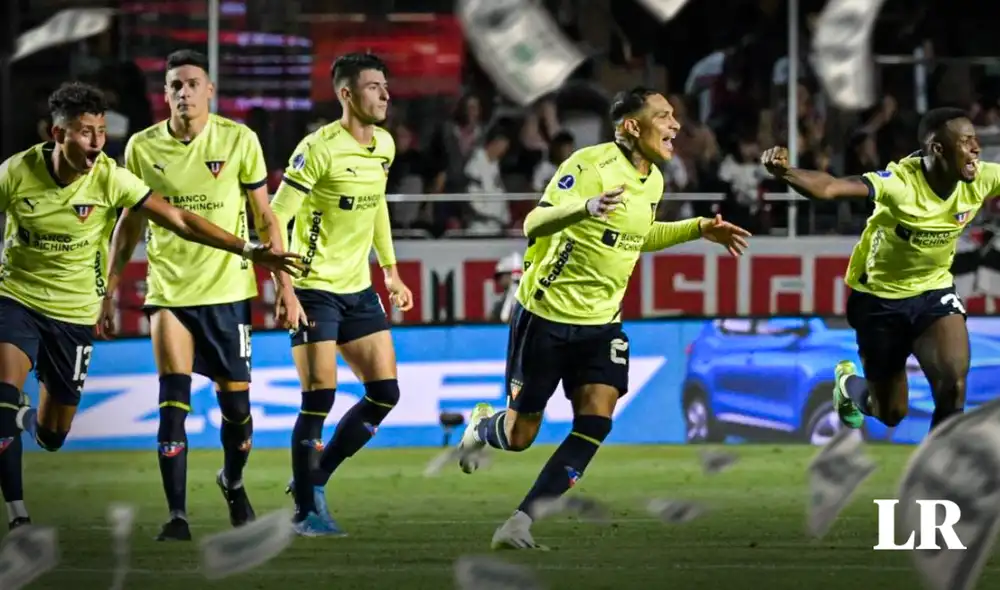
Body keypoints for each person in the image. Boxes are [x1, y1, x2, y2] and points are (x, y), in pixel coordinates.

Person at [454, 87, 751, 550]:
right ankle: (480, 427)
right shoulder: (589, 166)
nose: (675, 125)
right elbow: (534, 223)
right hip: (546, 314)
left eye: (675, 117)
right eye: (663, 116)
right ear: (632, 126)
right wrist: (585, 207)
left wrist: (697, 228)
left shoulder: (653, 180)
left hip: (603, 323)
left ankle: (520, 521)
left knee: (596, 420)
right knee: (519, 436)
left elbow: (637, 235)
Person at [0, 82, 301, 530]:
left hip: (74, 313)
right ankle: (19, 517)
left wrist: (249, 250)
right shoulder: (14, 173)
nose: (97, 143)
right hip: (17, 297)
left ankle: (30, 419)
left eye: (101, 131)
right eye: (85, 132)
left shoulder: (110, 177)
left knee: (53, 435)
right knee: (3, 403)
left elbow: (178, 219)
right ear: (57, 134)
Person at [101, 50, 306, 541]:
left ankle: (232, 481)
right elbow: (129, 223)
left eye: (193, 83)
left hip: (228, 292)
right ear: (165, 94)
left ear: (210, 91)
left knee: (237, 412)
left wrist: (286, 286)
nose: (184, 93)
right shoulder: (141, 148)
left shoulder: (238, 140)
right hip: (169, 292)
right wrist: (109, 287)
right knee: (173, 400)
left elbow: (264, 218)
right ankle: (177, 516)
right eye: (175, 85)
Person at [759, 107, 998, 438]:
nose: (976, 149)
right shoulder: (900, 184)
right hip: (879, 299)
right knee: (891, 413)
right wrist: (784, 172)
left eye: (976, 140)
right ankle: (849, 386)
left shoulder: (982, 177)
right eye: (966, 141)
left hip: (933, 291)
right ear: (939, 149)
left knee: (953, 382)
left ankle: (937, 471)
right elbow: (829, 188)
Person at [269, 52, 414, 537]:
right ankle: (306, 512)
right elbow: (275, 215)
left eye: (386, 85)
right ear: (347, 95)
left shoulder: (385, 146)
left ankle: (313, 479)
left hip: (358, 288)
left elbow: (376, 210)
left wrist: (390, 273)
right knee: (319, 398)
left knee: (385, 393)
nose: (386, 94)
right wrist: (284, 287)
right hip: (313, 290)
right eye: (374, 86)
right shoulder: (318, 149)